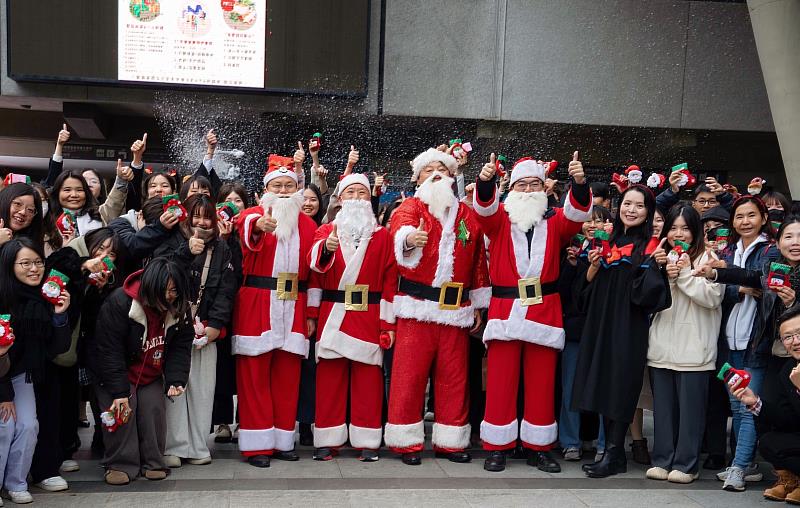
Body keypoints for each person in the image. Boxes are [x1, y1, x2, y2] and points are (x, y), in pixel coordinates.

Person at [473, 152, 591, 473]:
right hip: (506, 311)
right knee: (500, 382)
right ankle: (498, 446)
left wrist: (578, 182)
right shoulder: (499, 220)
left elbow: (577, 214)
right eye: (521, 185)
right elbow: (483, 208)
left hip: (544, 312)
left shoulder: (555, 223)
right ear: (511, 190)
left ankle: (539, 447)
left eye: (534, 184)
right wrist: (485, 181)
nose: (527, 190)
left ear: (544, 188)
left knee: (541, 383)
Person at [385, 148, 490, 466]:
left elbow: (476, 264)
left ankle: (451, 441)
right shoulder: (410, 207)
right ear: (417, 178)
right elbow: (398, 231)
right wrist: (408, 240)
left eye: (442, 170)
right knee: (409, 376)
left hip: (455, 309)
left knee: (454, 378)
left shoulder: (466, 215)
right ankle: (406, 442)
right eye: (429, 170)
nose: (436, 175)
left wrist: (477, 304)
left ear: (452, 177)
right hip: (416, 308)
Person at [572, 185, 672, 478]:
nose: (631, 210)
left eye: (639, 206)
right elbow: (582, 294)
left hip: (628, 327)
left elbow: (651, 297)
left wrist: (655, 267)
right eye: (627, 203)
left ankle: (615, 451)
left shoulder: (650, 247)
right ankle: (611, 454)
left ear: (648, 212)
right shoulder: (607, 241)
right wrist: (592, 267)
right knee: (602, 383)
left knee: (620, 386)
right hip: (600, 324)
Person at [232, 154, 317, 468]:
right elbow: (244, 226)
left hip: (293, 304)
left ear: (297, 189)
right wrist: (258, 226)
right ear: (266, 189)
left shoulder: (308, 224)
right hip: (257, 302)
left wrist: (311, 314)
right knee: (254, 376)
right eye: (277, 185)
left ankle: (282, 440)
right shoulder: (254, 214)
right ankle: (257, 446)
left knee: (287, 377)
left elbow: (316, 272)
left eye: (289, 185)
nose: (283, 191)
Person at [306, 173, 397, 462]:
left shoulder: (382, 235)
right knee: (329, 380)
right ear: (340, 199)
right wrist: (326, 251)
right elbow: (314, 275)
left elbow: (390, 282)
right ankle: (327, 439)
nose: (356, 198)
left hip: (369, 315)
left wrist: (387, 324)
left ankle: (368, 440)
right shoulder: (325, 231)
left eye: (362, 193)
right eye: (351, 193)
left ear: (369, 199)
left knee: (368, 382)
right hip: (333, 314)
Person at [699, 195, 778, 491]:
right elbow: (720, 290)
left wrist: (731, 279)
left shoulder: (770, 250)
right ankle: (748, 464)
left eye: (751, 216)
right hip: (727, 340)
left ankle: (739, 466)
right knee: (735, 403)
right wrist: (738, 287)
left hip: (755, 340)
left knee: (748, 406)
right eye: (739, 217)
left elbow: (762, 281)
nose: (745, 222)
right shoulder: (727, 250)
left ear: (763, 219)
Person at [91, 257, 193, 485]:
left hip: (151, 372)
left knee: (153, 410)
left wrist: (176, 379)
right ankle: (120, 464)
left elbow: (180, 347)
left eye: (175, 290)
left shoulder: (179, 306)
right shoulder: (120, 302)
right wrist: (118, 392)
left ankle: (154, 462)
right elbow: (108, 351)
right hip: (116, 371)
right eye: (165, 291)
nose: (170, 296)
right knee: (123, 412)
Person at [156, 194, 236, 467]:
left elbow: (227, 290)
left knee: (203, 389)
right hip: (175, 326)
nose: (202, 223)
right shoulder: (173, 240)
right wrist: (186, 251)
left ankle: (199, 444)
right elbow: (160, 276)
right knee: (177, 385)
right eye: (196, 216)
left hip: (206, 330)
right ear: (187, 216)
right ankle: (175, 446)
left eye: (207, 217)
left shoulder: (223, 248)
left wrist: (215, 325)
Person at [645, 205, 723, 484]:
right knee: (664, 412)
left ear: (696, 231)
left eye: (685, 228)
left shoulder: (709, 258)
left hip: (695, 349)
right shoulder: (661, 257)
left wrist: (686, 275)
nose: (679, 234)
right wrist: (661, 273)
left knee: (691, 413)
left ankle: (687, 464)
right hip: (662, 346)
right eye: (673, 228)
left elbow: (712, 298)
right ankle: (662, 459)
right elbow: (648, 298)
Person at [0, 238, 71, 503]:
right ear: (9, 266)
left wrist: (60, 315)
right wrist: (4, 395)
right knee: (4, 426)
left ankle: (16, 483)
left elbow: (56, 348)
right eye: (25, 263)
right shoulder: (2, 298)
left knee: (29, 425)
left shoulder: (45, 297)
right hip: (1, 377)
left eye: (38, 262)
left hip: (22, 374)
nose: (34, 269)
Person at [728, 305, 800, 503]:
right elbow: (789, 419)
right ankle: (792, 479)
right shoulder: (788, 370)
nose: (795, 342)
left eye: (799, 333)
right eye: (788, 337)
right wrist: (755, 402)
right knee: (768, 439)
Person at [559, 206, 612, 463]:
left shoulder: (613, 251)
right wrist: (571, 264)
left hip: (604, 331)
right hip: (576, 331)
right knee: (570, 388)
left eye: (599, 221)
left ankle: (604, 444)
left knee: (603, 389)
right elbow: (564, 292)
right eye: (589, 220)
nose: (593, 225)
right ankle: (570, 441)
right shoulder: (571, 250)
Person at [212, 182, 250, 444]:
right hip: (222, 308)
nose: (233, 205)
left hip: (248, 307)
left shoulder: (252, 230)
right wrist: (223, 239)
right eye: (228, 200)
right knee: (223, 366)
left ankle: (245, 420)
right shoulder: (213, 233)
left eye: (238, 200)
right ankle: (223, 421)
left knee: (246, 367)